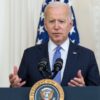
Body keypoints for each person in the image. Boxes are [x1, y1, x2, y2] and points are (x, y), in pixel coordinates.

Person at [9, 1, 100, 87]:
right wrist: (14, 86)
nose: (56, 27)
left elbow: (96, 93)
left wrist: (85, 89)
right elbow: (19, 90)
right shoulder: (30, 55)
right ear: (45, 25)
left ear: (70, 24)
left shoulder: (87, 56)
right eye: (51, 21)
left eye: (61, 21)